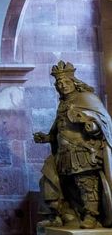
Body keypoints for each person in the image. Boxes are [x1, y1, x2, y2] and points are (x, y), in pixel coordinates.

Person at [34, 61, 112, 228]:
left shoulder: (86, 98)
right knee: (59, 182)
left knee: (86, 183)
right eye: (59, 84)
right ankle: (66, 214)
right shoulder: (63, 104)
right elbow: (59, 128)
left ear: (74, 82)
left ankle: (91, 216)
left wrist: (93, 126)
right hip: (64, 151)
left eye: (66, 82)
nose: (62, 86)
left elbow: (102, 121)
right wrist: (47, 137)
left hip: (82, 149)